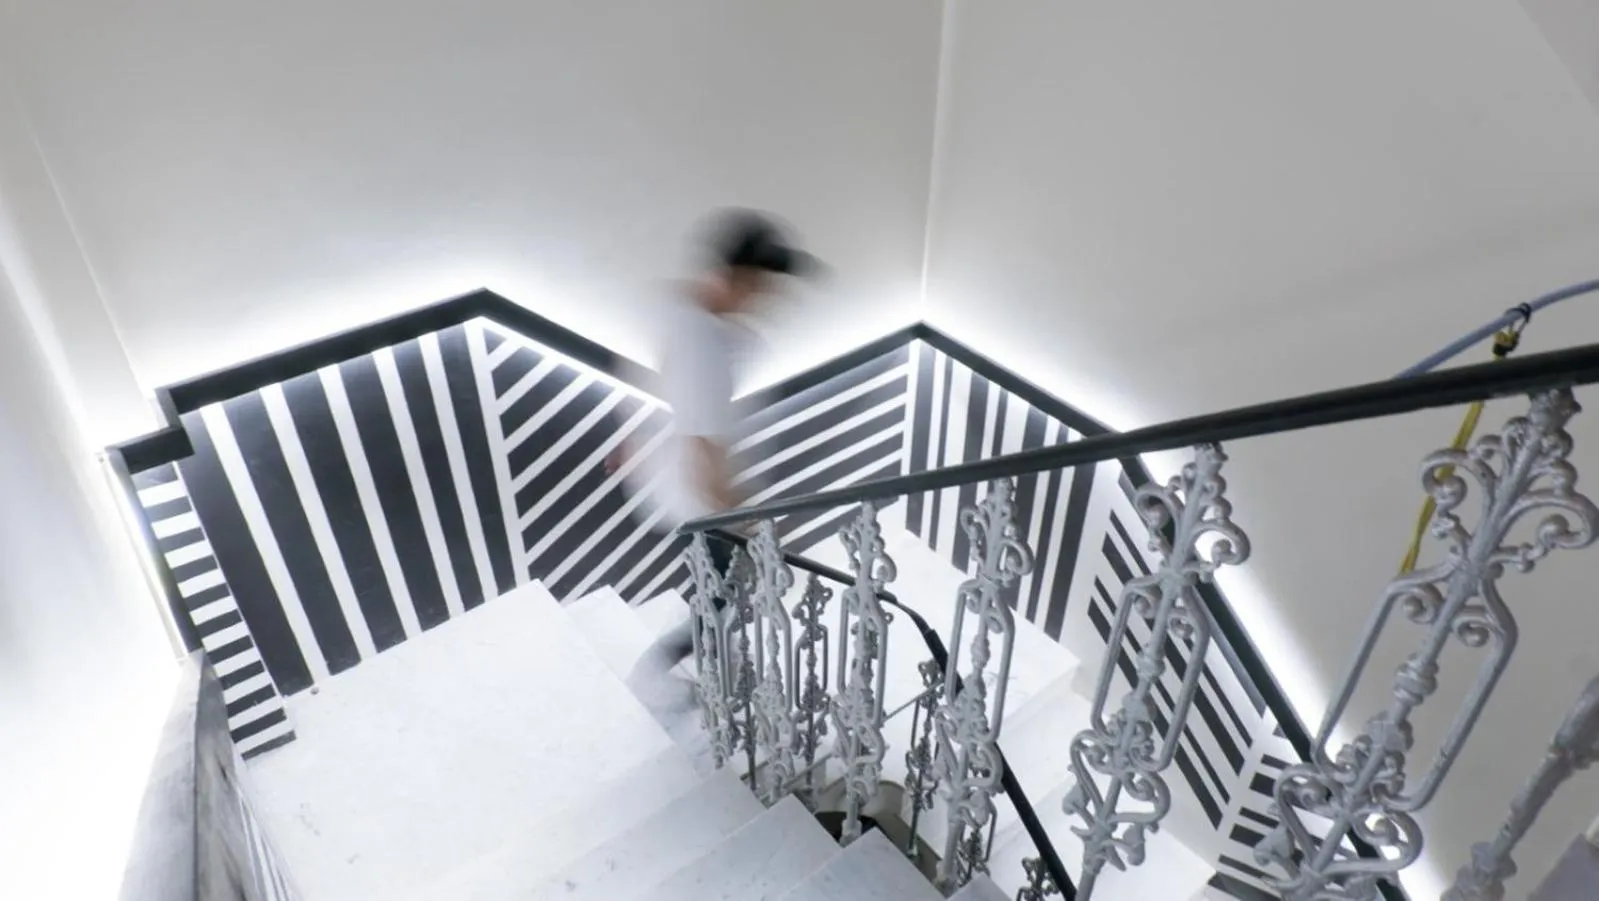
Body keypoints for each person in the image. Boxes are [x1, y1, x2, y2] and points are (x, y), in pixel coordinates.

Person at [608, 209, 817, 711]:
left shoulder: (681, 307)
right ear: (741, 278)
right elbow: (705, 457)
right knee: (721, 595)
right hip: (701, 502)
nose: (768, 297)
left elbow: (663, 372)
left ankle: (700, 655)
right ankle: (657, 673)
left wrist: (634, 436)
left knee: (715, 587)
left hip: (680, 485)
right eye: (763, 285)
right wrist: (752, 527)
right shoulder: (707, 351)